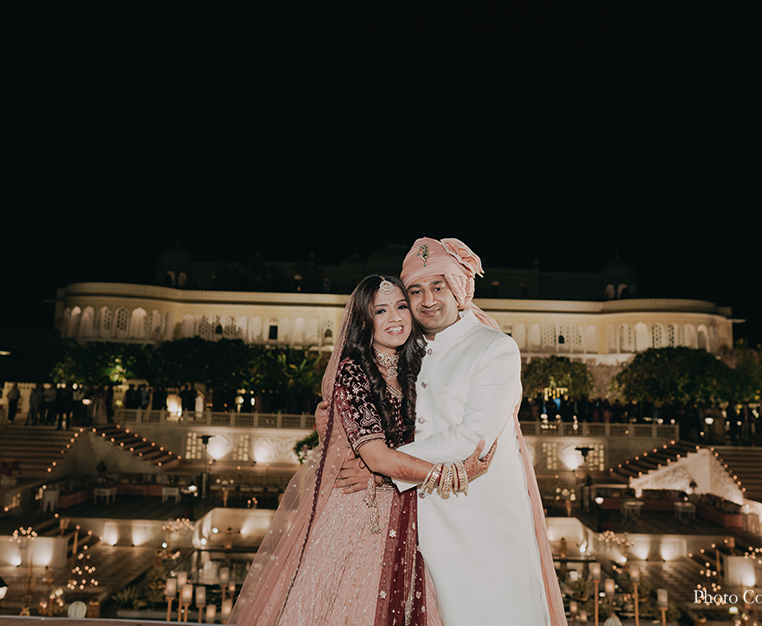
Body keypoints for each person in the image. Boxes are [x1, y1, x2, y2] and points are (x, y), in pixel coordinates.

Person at [230, 275, 491, 626]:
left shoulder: (418, 368)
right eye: (381, 311)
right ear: (363, 323)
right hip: (360, 515)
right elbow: (376, 455)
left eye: (401, 307)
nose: (396, 318)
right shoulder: (353, 373)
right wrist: (453, 474)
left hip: (413, 510)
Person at [335, 239, 565, 626]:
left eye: (437, 287)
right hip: (421, 521)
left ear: (458, 289)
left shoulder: (494, 348)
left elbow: (470, 439)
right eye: (416, 291)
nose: (427, 301)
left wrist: (382, 467)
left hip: (483, 522)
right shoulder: (409, 347)